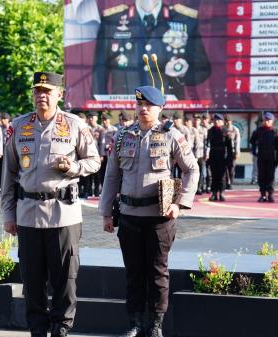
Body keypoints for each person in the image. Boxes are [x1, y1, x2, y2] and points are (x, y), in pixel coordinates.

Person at [1, 72, 101, 337]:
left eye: (47, 91)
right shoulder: (19, 126)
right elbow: (8, 174)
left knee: (64, 279)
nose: (41, 96)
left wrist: (73, 168)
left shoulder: (74, 124)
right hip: (28, 214)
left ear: (60, 94)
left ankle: (61, 327)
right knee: (32, 280)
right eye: (37, 91)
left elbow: (94, 161)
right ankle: (37, 329)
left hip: (63, 215)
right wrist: (8, 214)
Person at [100, 86, 198, 337]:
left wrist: (179, 203)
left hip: (159, 218)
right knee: (133, 272)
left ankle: (155, 324)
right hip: (129, 216)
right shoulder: (122, 136)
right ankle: (135, 323)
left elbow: (191, 170)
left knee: (157, 272)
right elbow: (112, 175)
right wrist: (106, 213)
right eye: (139, 104)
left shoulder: (172, 136)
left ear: (160, 108)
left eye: (149, 105)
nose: (143, 109)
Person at [92, 0, 210, 100]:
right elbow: (99, 71)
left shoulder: (184, 19)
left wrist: (181, 74)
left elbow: (202, 68)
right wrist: (100, 109)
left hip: (168, 107)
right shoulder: (111, 21)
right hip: (125, 107)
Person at [250, 112, 278, 202]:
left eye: (268, 120)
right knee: (261, 176)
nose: (266, 122)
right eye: (265, 120)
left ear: (272, 121)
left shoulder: (275, 132)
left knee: (270, 176)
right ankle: (262, 195)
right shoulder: (258, 131)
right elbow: (252, 141)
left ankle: (270, 194)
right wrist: (254, 151)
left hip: (271, 157)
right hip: (261, 156)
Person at [206, 114, 231, 201]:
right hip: (213, 155)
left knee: (222, 175)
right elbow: (207, 144)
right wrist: (207, 155)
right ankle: (213, 193)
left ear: (222, 122)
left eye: (218, 120)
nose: (216, 122)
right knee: (214, 175)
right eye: (215, 120)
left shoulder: (226, 131)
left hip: (222, 155)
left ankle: (221, 193)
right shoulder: (210, 131)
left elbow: (230, 146)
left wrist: (229, 158)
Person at [98, 112, 117, 186]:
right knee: (102, 172)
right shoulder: (100, 129)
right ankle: (102, 187)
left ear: (109, 120)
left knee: (110, 171)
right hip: (102, 154)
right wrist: (100, 154)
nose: (104, 121)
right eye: (103, 120)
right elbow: (98, 142)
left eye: (106, 120)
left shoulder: (114, 129)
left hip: (110, 153)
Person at [223, 115, 241, 190]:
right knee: (224, 168)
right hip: (224, 151)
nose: (227, 123)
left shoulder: (235, 129)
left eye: (229, 121)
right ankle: (226, 182)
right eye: (226, 121)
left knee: (231, 168)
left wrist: (237, 152)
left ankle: (230, 182)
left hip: (232, 151)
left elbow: (237, 141)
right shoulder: (222, 129)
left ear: (231, 121)